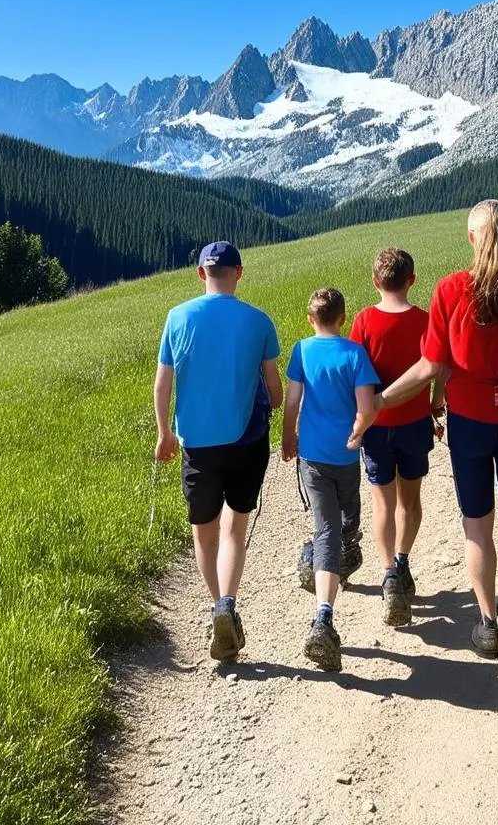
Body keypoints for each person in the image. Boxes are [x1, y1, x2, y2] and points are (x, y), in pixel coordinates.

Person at [353, 201, 498, 666]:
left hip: (470, 420)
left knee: (478, 522)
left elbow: (431, 366)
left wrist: (379, 402)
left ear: (472, 238)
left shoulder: (451, 290)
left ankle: (489, 623)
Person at [154, 241, 282, 663]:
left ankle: (219, 606)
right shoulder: (259, 321)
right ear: (239, 273)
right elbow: (274, 390)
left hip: (197, 444)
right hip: (247, 441)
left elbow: (162, 385)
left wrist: (164, 435)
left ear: (200, 274)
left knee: (204, 533)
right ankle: (228, 602)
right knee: (234, 529)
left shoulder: (177, 317)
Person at [282, 287, 379, 671]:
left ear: (311, 319)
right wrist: (357, 434)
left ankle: (320, 576)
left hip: (313, 456)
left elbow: (292, 401)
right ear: (343, 318)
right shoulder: (355, 353)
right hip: (345, 456)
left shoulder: (301, 351)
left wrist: (289, 436)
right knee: (342, 525)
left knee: (329, 528)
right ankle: (324, 606)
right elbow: (366, 406)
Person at [349, 247, 444, 627]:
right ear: (413, 280)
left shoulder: (364, 321)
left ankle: (388, 571)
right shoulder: (425, 321)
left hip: (375, 427)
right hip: (415, 423)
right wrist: (437, 402)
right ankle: (403, 562)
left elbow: (356, 374)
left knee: (383, 504)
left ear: (375, 281)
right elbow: (440, 368)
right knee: (411, 501)